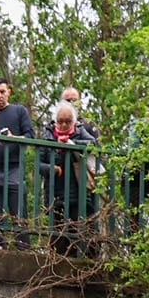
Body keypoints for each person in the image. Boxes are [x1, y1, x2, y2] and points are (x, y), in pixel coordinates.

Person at [42, 96, 99, 247]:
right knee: (58, 235)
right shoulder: (48, 135)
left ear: (74, 122)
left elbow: (92, 144)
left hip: (78, 192)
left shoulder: (80, 133)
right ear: (55, 121)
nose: (64, 125)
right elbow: (38, 164)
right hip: (55, 194)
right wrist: (52, 168)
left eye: (68, 122)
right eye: (60, 121)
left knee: (79, 232)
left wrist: (70, 143)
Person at [0, 79, 36, 235]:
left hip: (14, 166)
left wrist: (13, 138)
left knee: (18, 211)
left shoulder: (19, 111)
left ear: (9, 92)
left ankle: (23, 245)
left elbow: (30, 136)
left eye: (2, 92)